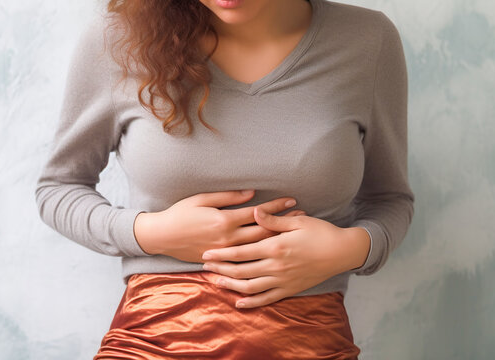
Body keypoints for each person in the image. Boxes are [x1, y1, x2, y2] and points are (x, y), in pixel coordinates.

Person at [34, 0, 415, 358]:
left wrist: (348, 249)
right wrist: (150, 233)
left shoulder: (367, 39)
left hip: (308, 337)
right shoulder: (117, 38)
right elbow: (57, 189)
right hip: (152, 339)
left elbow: (390, 199)